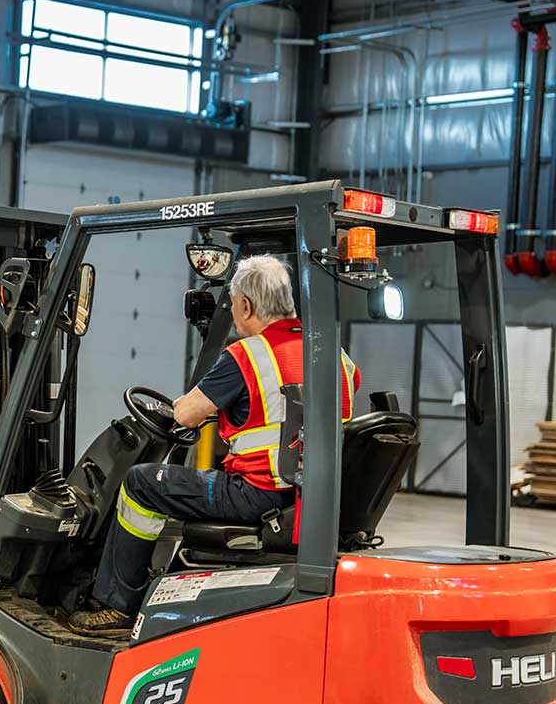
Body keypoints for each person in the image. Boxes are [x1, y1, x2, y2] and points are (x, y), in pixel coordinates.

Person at [69, 254, 361, 634]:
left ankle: (117, 604)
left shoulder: (246, 356)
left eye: (235, 303)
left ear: (245, 305)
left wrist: (187, 407)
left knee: (142, 482)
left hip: (257, 494)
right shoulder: (334, 355)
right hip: (311, 496)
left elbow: (187, 414)